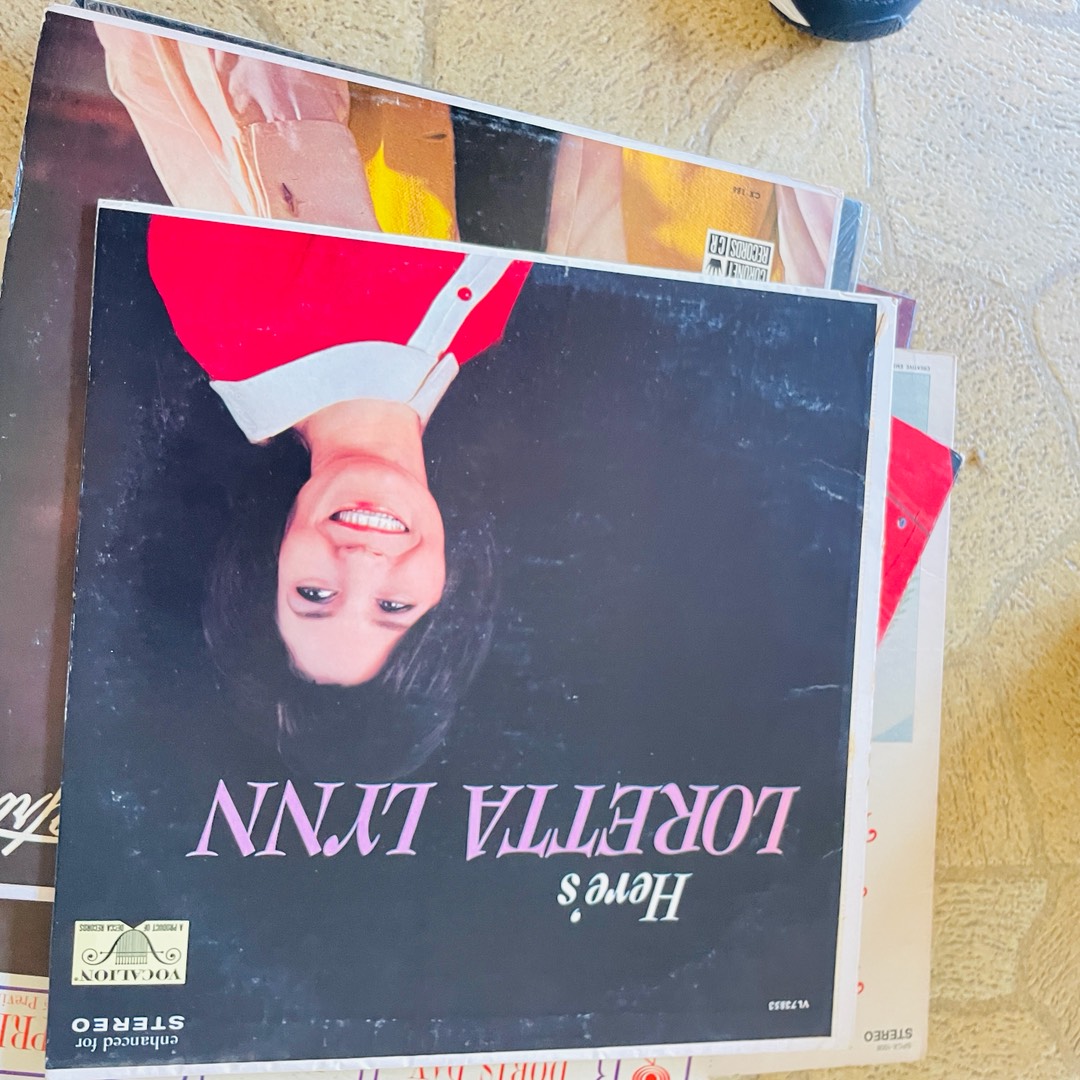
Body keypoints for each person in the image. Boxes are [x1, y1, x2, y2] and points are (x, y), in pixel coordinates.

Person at [146, 213, 529, 702]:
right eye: (393, 606)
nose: (361, 562)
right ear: (447, 588)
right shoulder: (477, 341)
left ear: (270, 558)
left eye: (314, 595)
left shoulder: (220, 298)